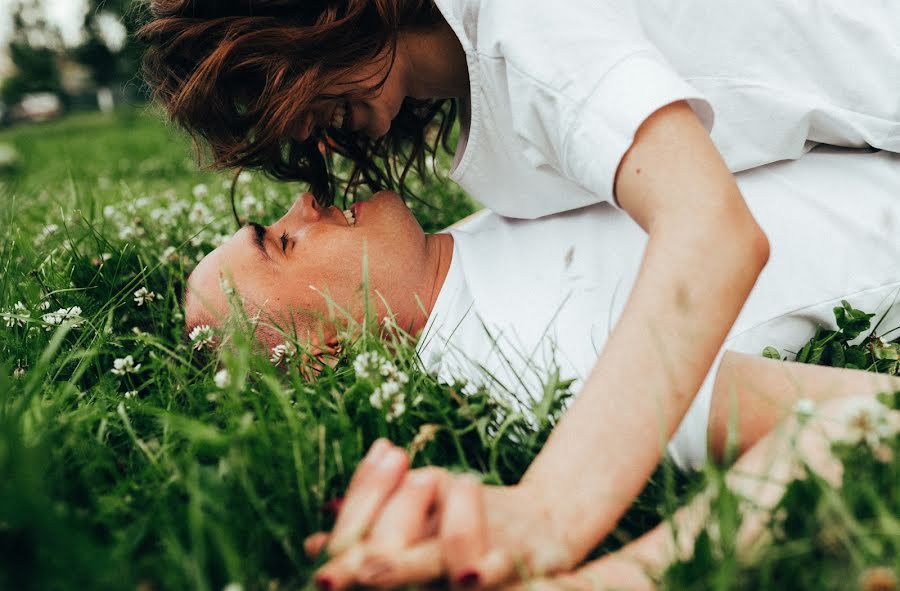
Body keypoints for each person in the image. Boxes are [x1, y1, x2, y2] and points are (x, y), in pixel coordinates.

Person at [146, 0, 900, 582]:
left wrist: (549, 508)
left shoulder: (516, 36)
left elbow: (710, 229)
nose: (306, 190)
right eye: (280, 242)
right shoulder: (537, 352)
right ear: (324, 350)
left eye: (278, 81)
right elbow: (855, 419)